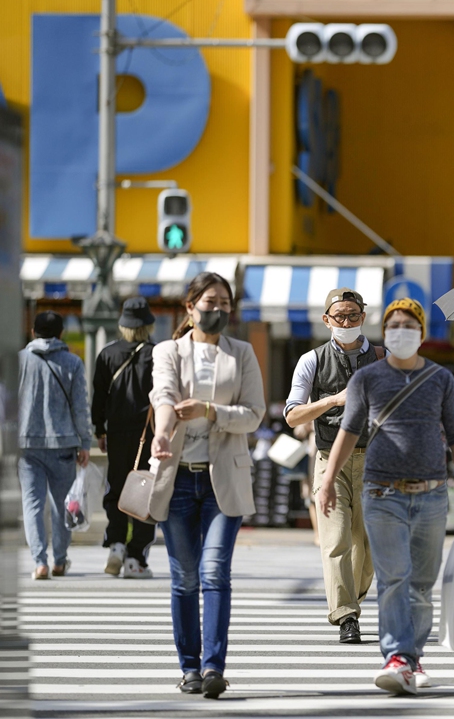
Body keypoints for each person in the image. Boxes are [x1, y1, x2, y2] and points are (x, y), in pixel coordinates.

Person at [317, 298, 454, 696]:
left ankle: (411, 656)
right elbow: (348, 432)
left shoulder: (441, 379)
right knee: (394, 579)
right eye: (393, 326)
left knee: (421, 584)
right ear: (384, 333)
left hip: (430, 495)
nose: (400, 332)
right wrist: (326, 482)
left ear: (421, 333)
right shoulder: (368, 379)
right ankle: (395, 656)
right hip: (381, 492)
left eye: (408, 325)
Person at [148, 272, 265, 699]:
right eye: (210, 302)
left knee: (214, 571)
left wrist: (211, 410)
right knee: (185, 578)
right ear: (189, 306)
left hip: (224, 480)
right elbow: (162, 396)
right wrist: (162, 433)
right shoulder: (168, 351)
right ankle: (190, 668)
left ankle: (215, 666)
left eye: (224, 304)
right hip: (177, 478)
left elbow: (254, 414)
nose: (217, 310)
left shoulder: (242, 353)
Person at [284, 288, 384, 644]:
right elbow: (293, 415)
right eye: (339, 316)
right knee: (337, 539)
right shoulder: (311, 361)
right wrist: (332, 401)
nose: (346, 322)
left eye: (353, 316)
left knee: (369, 548)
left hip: (375, 462)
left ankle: (352, 599)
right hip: (330, 462)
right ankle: (345, 615)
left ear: (364, 318)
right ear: (326, 320)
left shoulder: (382, 357)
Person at [18, 311, 91, 580]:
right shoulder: (72, 362)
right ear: (61, 333)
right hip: (62, 443)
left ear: (34, 332)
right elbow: (80, 407)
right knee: (63, 504)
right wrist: (85, 442)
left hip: (27, 444)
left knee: (32, 502)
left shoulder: (20, 360)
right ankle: (60, 560)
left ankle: (40, 562)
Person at [92, 297, 158, 578]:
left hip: (117, 433)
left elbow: (99, 398)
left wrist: (100, 430)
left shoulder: (107, 355)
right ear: (148, 325)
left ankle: (116, 544)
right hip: (149, 435)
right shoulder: (158, 354)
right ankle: (136, 558)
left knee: (117, 487)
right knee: (146, 492)